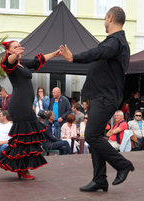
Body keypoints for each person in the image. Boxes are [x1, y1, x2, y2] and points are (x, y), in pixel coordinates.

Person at [60, 6, 134, 192]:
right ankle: (100, 178)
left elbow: (96, 53)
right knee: (96, 137)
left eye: (104, 18)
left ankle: (123, 164)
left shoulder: (116, 42)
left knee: (92, 136)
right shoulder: (113, 42)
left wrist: (74, 58)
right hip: (99, 98)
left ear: (109, 18)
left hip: (105, 98)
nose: (104, 21)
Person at [0, 40, 61, 179]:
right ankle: (21, 168)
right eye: (15, 47)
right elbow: (8, 61)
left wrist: (54, 54)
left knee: (24, 138)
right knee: (26, 136)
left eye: (19, 46)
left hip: (24, 104)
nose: (19, 48)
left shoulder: (22, 64)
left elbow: (38, 60)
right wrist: (13, 55)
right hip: (19, 105)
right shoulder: (10, 64)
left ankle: (21, 168)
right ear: (9, 52)